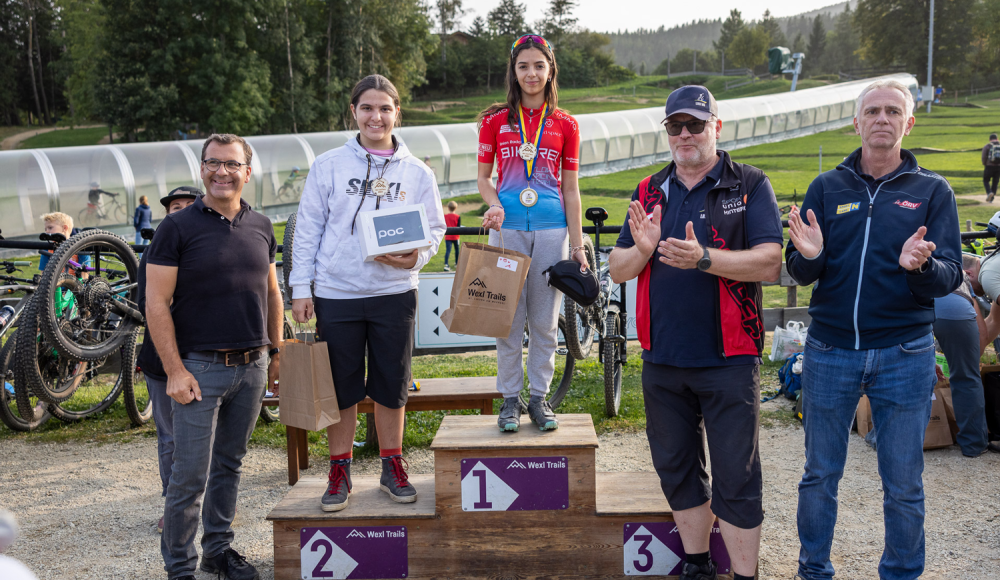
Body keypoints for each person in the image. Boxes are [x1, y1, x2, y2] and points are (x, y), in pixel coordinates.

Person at [786, 79, 962, 580]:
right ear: (856, 122)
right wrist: (810, 257)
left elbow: (949, 274)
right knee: (819, 475)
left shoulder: (933, 191)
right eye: (872, 111)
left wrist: (920, 267)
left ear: (908, 123)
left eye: (893, 111)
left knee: (903, 480)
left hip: (904, 353)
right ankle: (813, 570)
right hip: (829, 350)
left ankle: (902, 573)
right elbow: (798, 268)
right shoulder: (827, 186)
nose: (881, 118)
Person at [608, 85, 783, 580]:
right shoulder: (649, 190)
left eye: (695, 125)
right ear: (667, 133)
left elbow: (770, 262)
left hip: (730, 357)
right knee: (678, 468)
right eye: (675, 126)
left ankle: (746, 575)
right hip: (663, 356)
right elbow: (619, 269)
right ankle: (698, 564)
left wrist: (705, 259)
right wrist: (643, 249)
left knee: (737, 475)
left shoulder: (748, 183)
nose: (685, 135)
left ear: (716, 127)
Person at [289, 74, 446, 513]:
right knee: (341, 388)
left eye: (384, 108)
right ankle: (339, 469)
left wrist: (414, 258)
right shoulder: (328, 165)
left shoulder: (416, 171)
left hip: (394, 292)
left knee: (391, 384)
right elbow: (307, 232)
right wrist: (302, 288)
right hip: (337, 294)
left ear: (397, 113)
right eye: (367, 108)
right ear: (353, 112)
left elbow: (435, 228)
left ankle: (391, 465)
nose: (376, 117)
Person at [145, 133, 282, 580]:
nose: (221, 172)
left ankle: (218, 551)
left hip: (252, 365)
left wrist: (274, 351)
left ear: (247, 170)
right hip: (198, 368)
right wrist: (175, 370)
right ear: (202, 169)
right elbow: (156, 303)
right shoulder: (176, 227)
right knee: (188, 476)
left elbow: (272, 292)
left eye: (231, 164)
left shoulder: (261, 225)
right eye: (212, 163)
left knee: (230, 464)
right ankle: (180, 568)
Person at [477, 33, 587, 432]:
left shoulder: (566, 124)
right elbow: (483, 178)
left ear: (550, 69)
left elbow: (571, 189)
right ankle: (510, 401)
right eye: (523, 65)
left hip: (552, 229)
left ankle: (539, 400)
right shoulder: (494, 122)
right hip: (506, 232)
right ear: (514, 70)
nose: (531, 73)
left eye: (539, 65)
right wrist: (493, 204)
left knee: (543, 322)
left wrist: (577, 245)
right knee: (506, 321)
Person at [135, 186, 202, 534]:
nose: (181, 212)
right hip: (162, 360)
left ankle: (210, 504)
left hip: (207, 355)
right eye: (175, 207)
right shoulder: (154, 252)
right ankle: (174, 505)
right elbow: (147, 303)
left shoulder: (209, 245)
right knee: (170, 437)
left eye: (189, 206)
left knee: (211, 436)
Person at [930, 254, 992, 457]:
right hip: (955, 308)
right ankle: (974, 444)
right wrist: (972, 363)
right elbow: (981, 331)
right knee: (966, 377)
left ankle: (888, 439)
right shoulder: (957, 270)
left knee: (901, 371)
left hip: (913, 305)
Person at [982, 133, 1000, 202]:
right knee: (995, 182)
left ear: (990, 139)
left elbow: (984, 156)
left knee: (986, 180)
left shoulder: (987, 146)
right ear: (997, 138)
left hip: (989, 166)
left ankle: (989, 192)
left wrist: (985, 164)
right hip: (998, 167)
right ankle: (992, 199)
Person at [443, 200, 461, 271]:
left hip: (448, 237)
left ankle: (446, 264)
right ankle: (457, 263)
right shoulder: (458, 217)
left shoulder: (445, 216)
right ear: (455, 208)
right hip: (456, 237)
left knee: (448, 250)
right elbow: (459, 227)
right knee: (457, 250)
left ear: (448, 208)